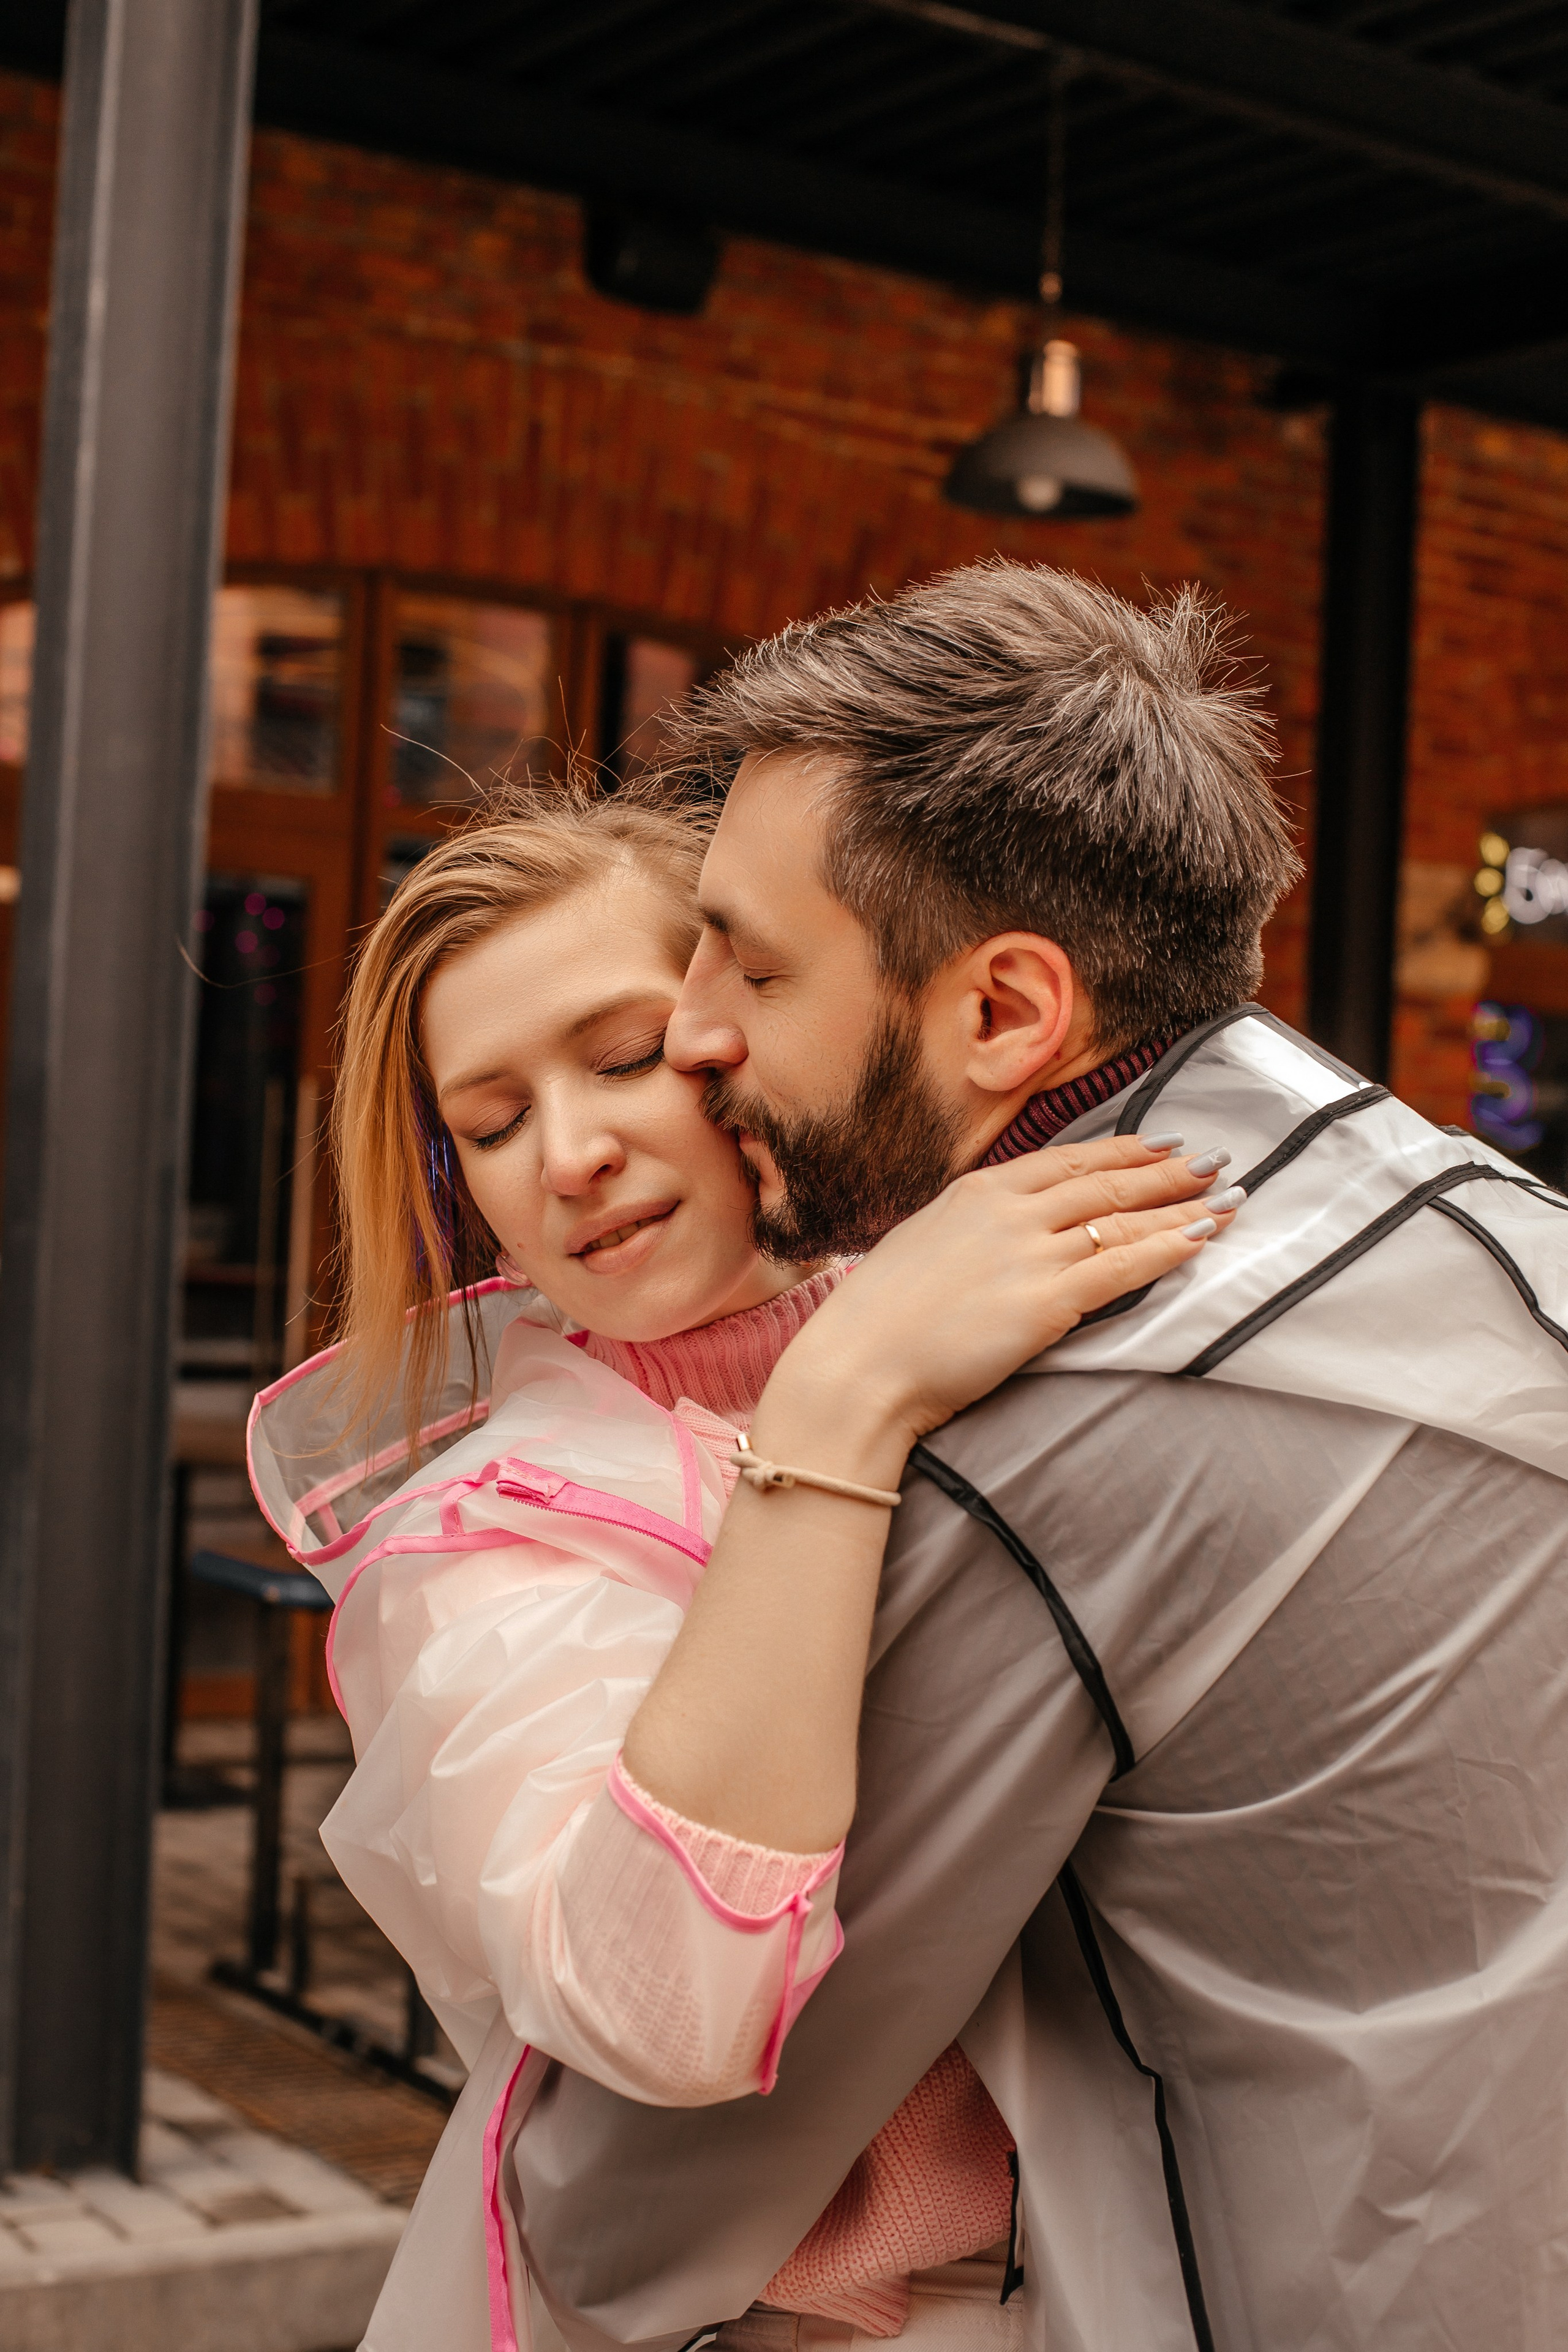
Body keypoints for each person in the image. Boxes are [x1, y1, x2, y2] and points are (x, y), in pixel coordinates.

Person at [502, 564, 1568, 2352]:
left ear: (1006, 1014)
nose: (691, 1029)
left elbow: (620, 2207)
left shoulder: (1048, 1433)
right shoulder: (1510, 1232)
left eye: (754, 962)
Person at [246, 788, 1232, 2352]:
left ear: (744, 1036)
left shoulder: (1014, 1313)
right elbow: (662, 2004)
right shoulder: (484, 1541)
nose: (567, 1155)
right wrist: (842, 1409)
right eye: (490, 1123)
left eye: (625, 1056)